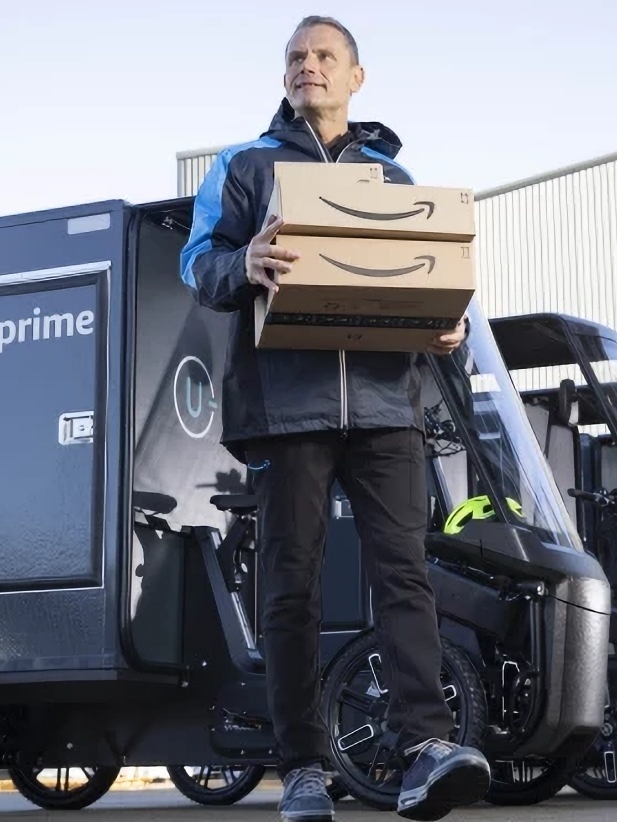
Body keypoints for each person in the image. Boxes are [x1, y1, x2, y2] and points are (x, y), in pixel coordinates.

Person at [178, 14, 491, 822]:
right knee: (293, 586)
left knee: (405, 576)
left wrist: (446, 326)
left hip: (387, 403)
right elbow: (197, 262)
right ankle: (304, 768)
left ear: (356, 77)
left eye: (323, 55)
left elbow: (423, 271)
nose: (307, 65)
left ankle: (426, 748)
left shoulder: (393, 176)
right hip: (287, 406)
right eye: (295, 56)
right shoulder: (245, 165)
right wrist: (243, 261)